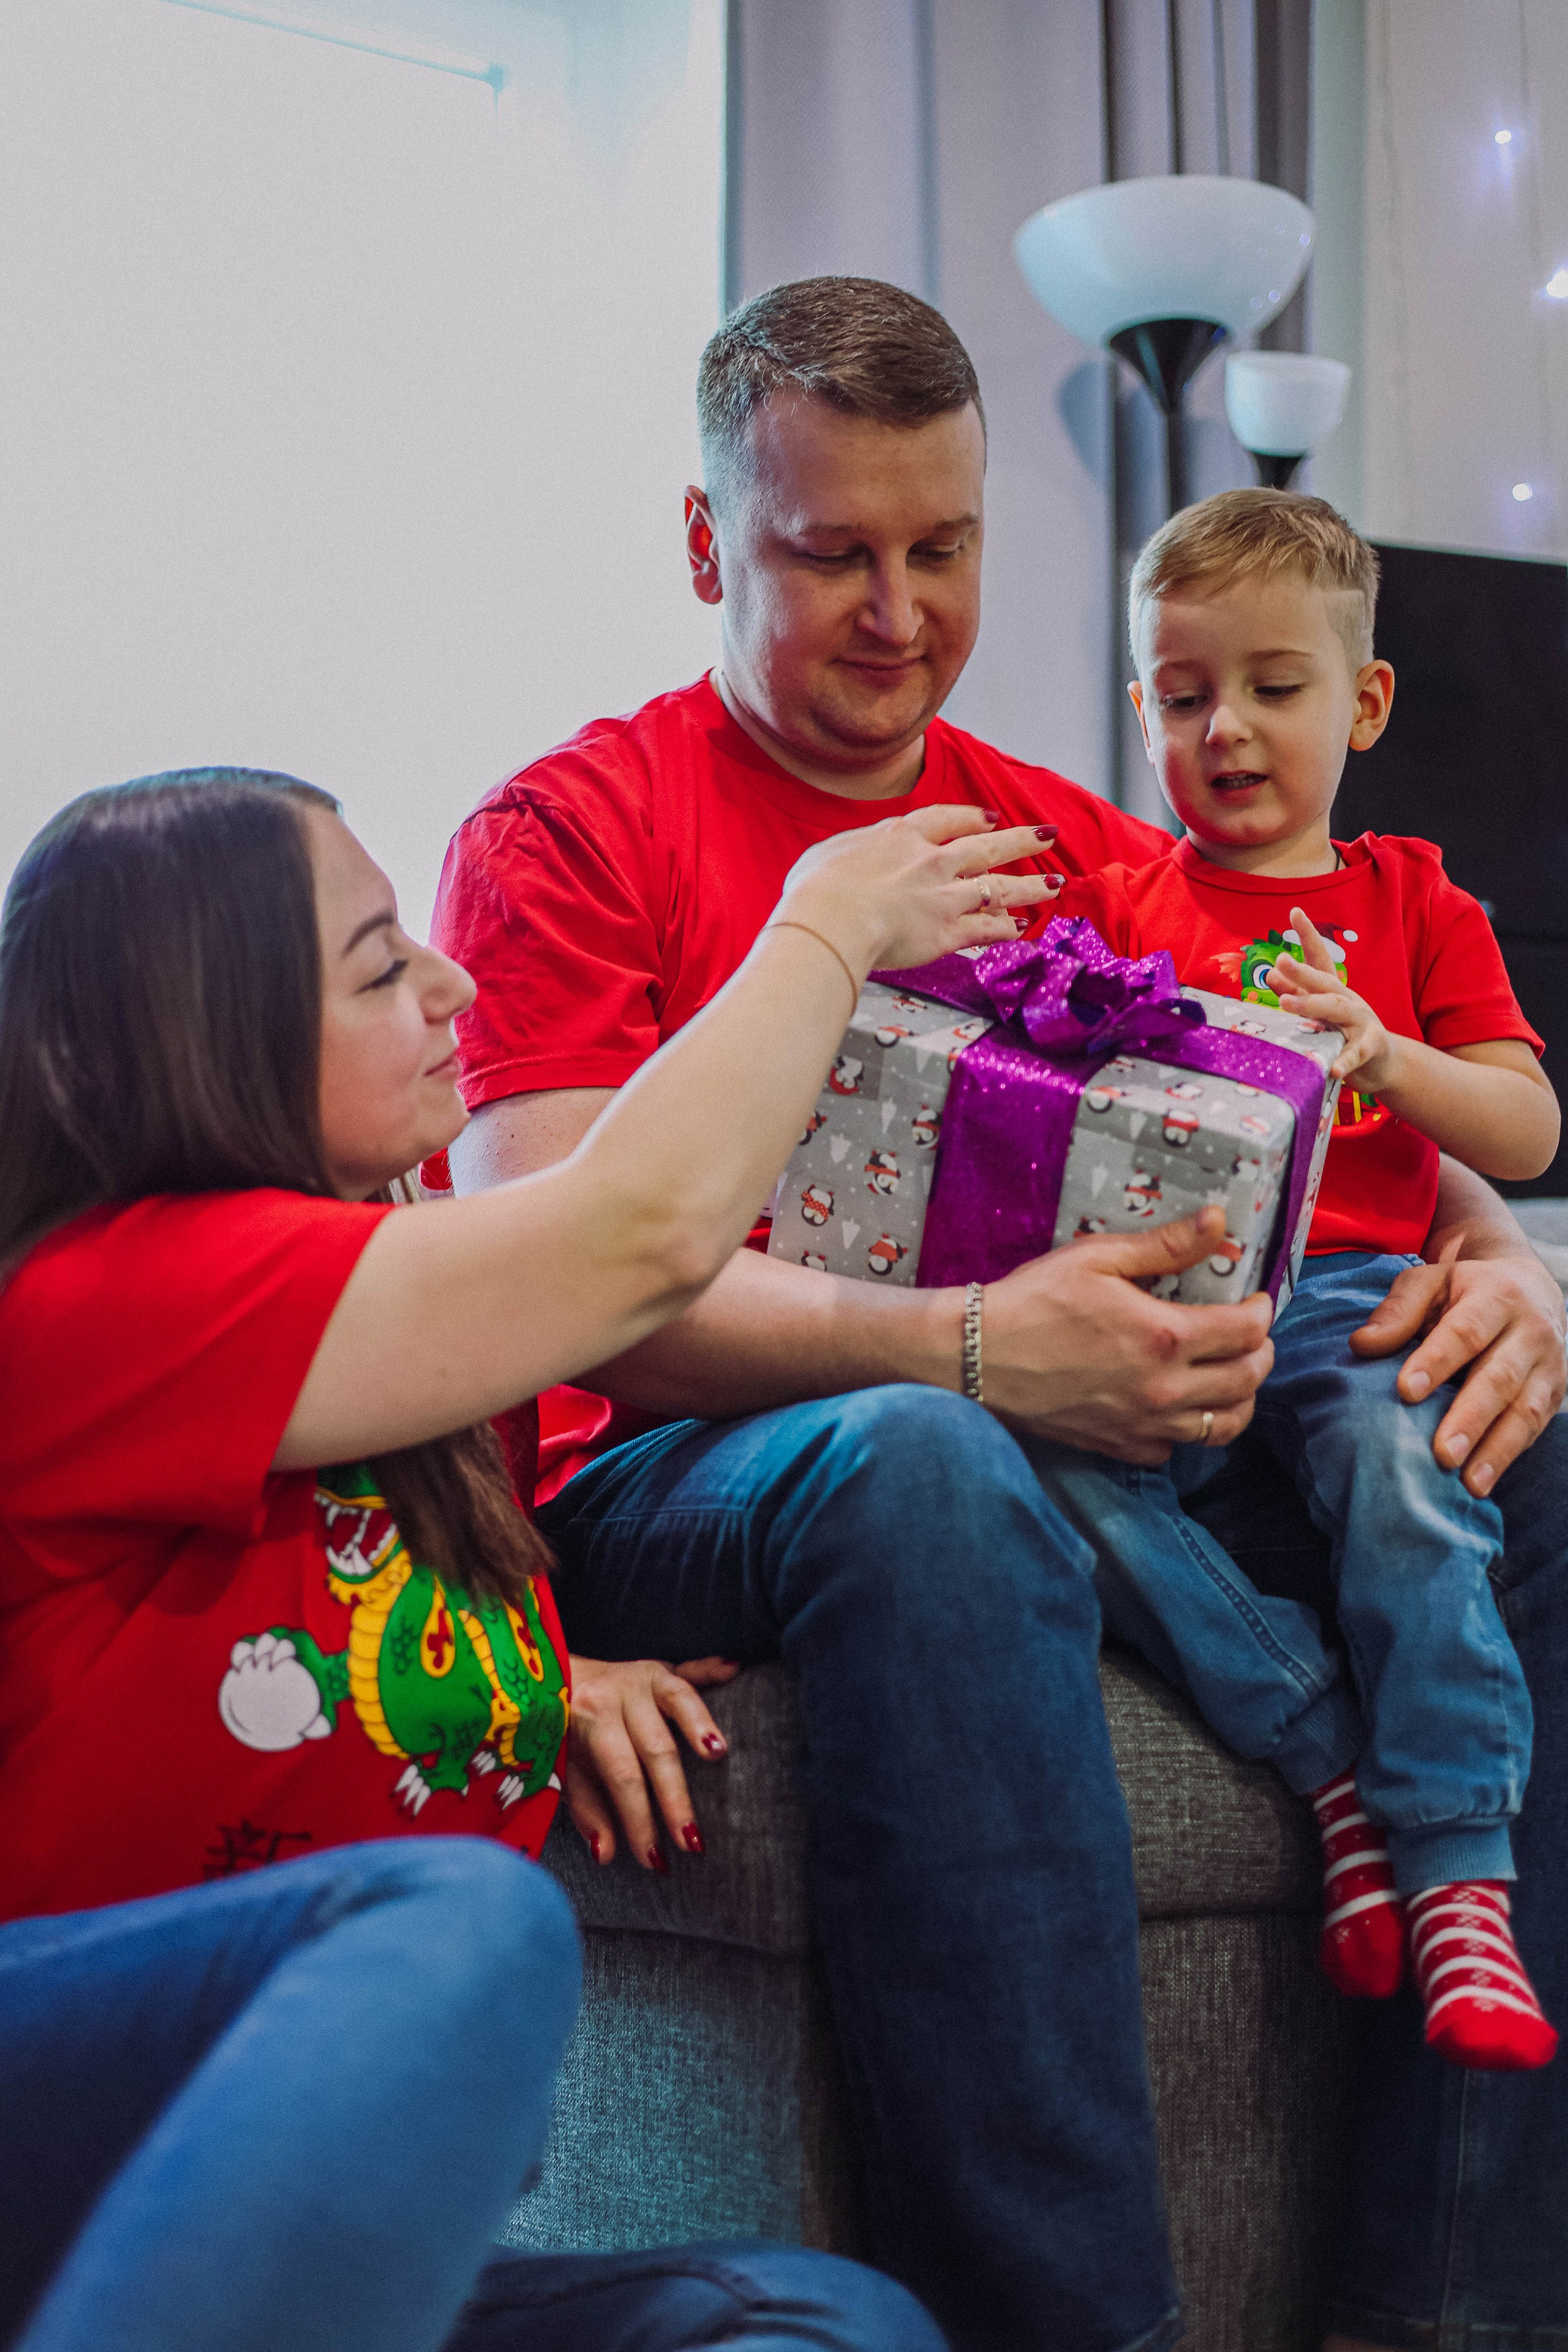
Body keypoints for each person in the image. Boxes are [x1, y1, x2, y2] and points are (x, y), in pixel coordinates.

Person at [431, 276, 1568, 2352]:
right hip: (708, 1468)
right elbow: (548, 1284)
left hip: (1096, 1410)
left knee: (1515, 1439)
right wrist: (966, 1349)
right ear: (707, 545)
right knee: (934, 1469)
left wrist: (1498, 1262)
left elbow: (1304, 1083)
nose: (898, 612)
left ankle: (1448, 2310)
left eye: (942, 551)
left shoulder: (1070, 835)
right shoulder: (566, 833)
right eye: (831, 553)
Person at [0, 765, 1048, 2351]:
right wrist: (828, 925)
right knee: (458, 1925)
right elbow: (638, 1233)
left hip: (320, 2264)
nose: (453, 984)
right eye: (378, 969)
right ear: (203, 1040)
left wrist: (540, 1674)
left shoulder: (414, 1377)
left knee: (825, 2330)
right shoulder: (103, 1303)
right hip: (62, 2155)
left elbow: (302, 1614)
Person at [1042, 489, 1559, 2071]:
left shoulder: (1410, 900)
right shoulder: (1118, 906)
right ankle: (1317, 1754)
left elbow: (1529, 1130)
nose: (1228, 732)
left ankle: (1459, 1869)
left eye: (1276, 687)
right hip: (1159, 1307)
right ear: (1144, 710)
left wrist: (1386, 1054)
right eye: (1185, 696)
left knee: (1407, 1470)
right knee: (1040, 1475)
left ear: (1365, 701)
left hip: (1342, 1298)